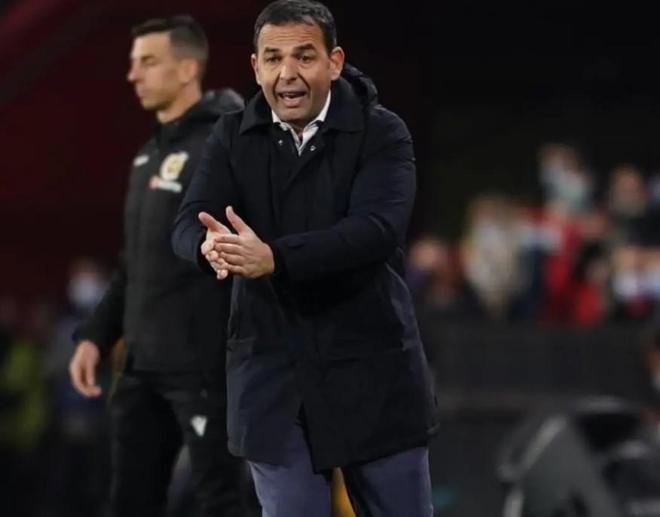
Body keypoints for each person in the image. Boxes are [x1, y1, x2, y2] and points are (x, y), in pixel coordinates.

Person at [172, 1, 438, 515]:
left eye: (304, 57)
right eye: (273, 59)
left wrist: (274, 257)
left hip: (371, 371)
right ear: (256, 67)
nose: (287, 73)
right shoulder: (230, 136)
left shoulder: (382, 132)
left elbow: (376, 231)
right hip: (270, 376)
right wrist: (207, 248)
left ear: (334, 63)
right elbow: (187, 223)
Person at [68, 15, 251, 517]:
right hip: (141, 367)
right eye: (134, 63)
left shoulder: (227, 144)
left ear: (188, 68)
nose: (133, 74)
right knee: (129, 501)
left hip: (204, 366)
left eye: (148, 62)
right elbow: (133, 264)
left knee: (222, 500)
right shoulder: (148, 154)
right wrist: (94, 335)